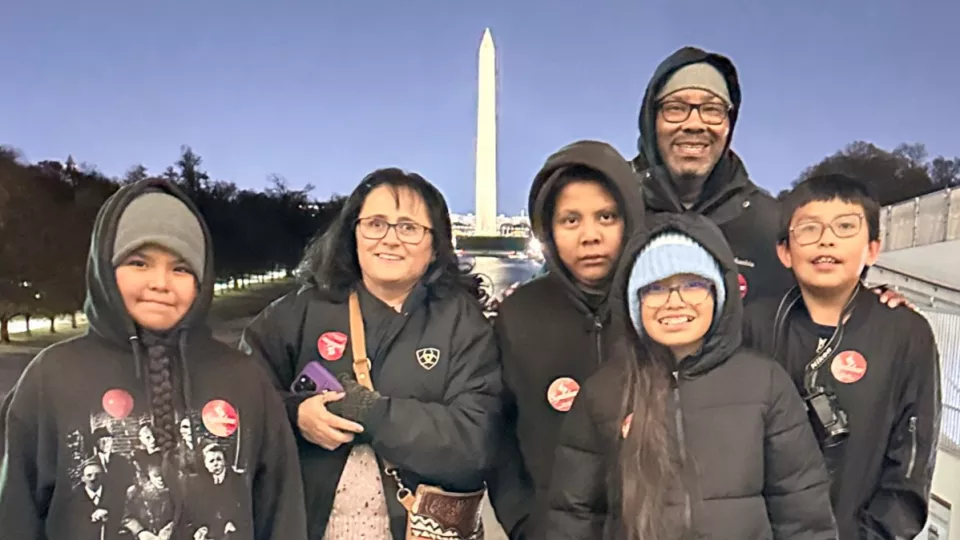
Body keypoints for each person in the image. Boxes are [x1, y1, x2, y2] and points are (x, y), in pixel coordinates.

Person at [0, 179, 307, 540]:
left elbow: (281, 514)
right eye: (139, 262)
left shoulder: (244, 380)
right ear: (105, 269)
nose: (160, 282)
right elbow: (15, 516)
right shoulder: (51, 378)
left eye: (180, 268)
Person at [240, 168, 501, 540]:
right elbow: (239, 403)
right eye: (376, 223)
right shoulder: (296, 314)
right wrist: (294, 414)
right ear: (354, 233)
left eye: (409, 227)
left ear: (434, 244)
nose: (390, 240)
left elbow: (475, 445)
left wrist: (374, 415)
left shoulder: (463, 325)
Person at [544, 213, 837, 540]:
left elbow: (802, 513)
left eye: (693, 284)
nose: (674, 302)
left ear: (718, 293)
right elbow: (573, 515)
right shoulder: (603, 393)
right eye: (655, 288)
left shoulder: (766, 383)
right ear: (634, 302)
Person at [631, 46, 909, 310]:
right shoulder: (613, 205)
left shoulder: (771, 224)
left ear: (730, 123)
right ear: (651, 119)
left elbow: (823, 305)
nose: (694, 124)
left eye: (712, 110)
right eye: (675, 108)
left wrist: (873, 309)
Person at [742, 173, 942, 539]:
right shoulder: (752, 324)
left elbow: (911, 463)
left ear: (872, 249)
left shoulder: (905, 332)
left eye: (845, 226)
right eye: (809, 228)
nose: (827, 239)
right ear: (785, 251)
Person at [486, 140, 646, 539]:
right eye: (570, 220)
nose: (589, 236)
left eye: (606, 217)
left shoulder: (660, 307)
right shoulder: (519, 314)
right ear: (548, 230)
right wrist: (523, 520)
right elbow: (499, 431)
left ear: (630, 219)